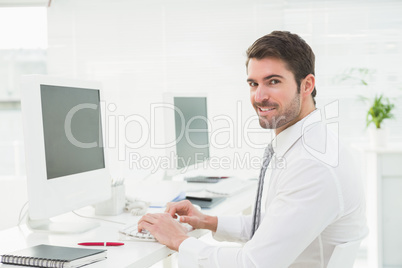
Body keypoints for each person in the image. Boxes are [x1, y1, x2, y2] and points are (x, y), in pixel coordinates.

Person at [138, 31, 367, 267]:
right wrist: (207, 220)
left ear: (306, 85)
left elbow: (253, 263)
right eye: (253, 83)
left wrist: (179, 240)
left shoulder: (312, 164)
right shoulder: (311, 145)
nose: (259, 96)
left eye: (273, 81)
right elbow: (275, 227)